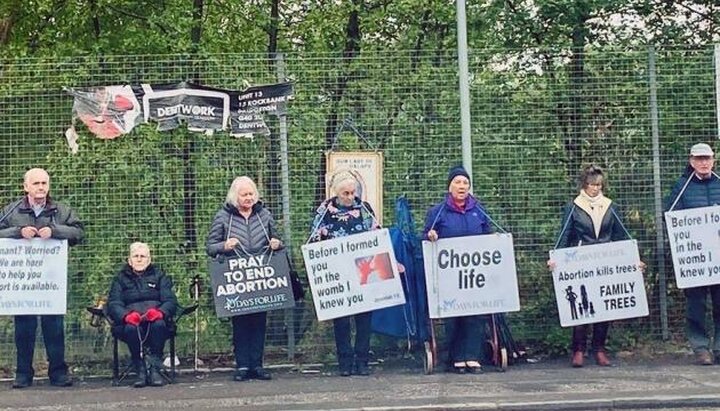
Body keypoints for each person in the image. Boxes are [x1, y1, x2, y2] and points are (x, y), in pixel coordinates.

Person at [548, 164, 641, 368]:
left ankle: (599, 349)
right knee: (581, 305)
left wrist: (634, 259)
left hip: (605, 261)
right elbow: (564, 235)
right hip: (581, 262)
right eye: (591, 185)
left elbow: (621, 235)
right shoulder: (573, 206)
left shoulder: (610, 206)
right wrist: (555, 257)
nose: (595, 189)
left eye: (599, 185)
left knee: (604, 306)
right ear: (584, 184)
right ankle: (578, 350)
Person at [0, 168, 84, 388]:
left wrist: (54, 230)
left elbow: (78, 233)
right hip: (24, 283)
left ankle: (58, 372)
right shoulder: (12, 211)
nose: (40, 188)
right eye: (36, 183)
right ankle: (23, 374)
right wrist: (18, 231)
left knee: (54, 327)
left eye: (44, 183)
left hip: (51, 281)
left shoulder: (61, 210)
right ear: (26, 186)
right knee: (24, 328)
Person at [206, 176, 282, 382]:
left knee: (259, 322)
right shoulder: (223, 217)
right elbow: (210, 247)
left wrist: (277, 243)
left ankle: (257, 365)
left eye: (251, 194)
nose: (248, 198)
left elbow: (277, 240)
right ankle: (242, 366)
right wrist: (224, 246)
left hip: (261, 276)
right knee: (240, 323)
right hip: (236, 277)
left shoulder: (264, 215)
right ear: (235, 196)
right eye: (244, 194)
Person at [309, 171, 380, 376]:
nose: (350, 197)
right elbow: (314, 239)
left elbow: (377, 234)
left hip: (363, 269)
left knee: (364, 317)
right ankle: (345, 361)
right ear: (336, 193)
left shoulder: (365, 209)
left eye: (352, 192)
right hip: (337, 271)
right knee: (341, 319)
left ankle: (363, 360)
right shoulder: (325, 211)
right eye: (345, 193)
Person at [423, 165, 492, 374]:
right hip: (449, 275)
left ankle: (472, 356)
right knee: (453, 315)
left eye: (465, 183)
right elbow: (425, 236)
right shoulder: (437, 212)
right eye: (458, 182)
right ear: (449, 186)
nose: (462, 186)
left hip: (475, 274)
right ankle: (455, 357)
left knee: (476, 313)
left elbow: (488, 234)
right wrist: (431, 236)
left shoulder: (478, 210)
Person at [665, 142, 720, 365]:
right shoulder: (682, 186)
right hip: (695, 261)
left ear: (713, 160)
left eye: (707, 158)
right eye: (699, 159)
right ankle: (701, 348)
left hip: (718, 258)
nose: (704, 162)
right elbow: (670, 215)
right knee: (696, 305)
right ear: (691, 162)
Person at [107, 242, 178, 388]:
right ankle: (139, 369)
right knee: (130, 329)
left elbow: (170, 301)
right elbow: (114, 303)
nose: (139, 259)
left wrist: (160, 312)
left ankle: (154, 368)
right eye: (136, 256)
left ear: (149, 259)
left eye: (143, 256)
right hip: (130, 322)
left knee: (159, 325)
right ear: (129, 260)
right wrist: (126, 316)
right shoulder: (120, 279)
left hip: (155, 319)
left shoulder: (160, 276)